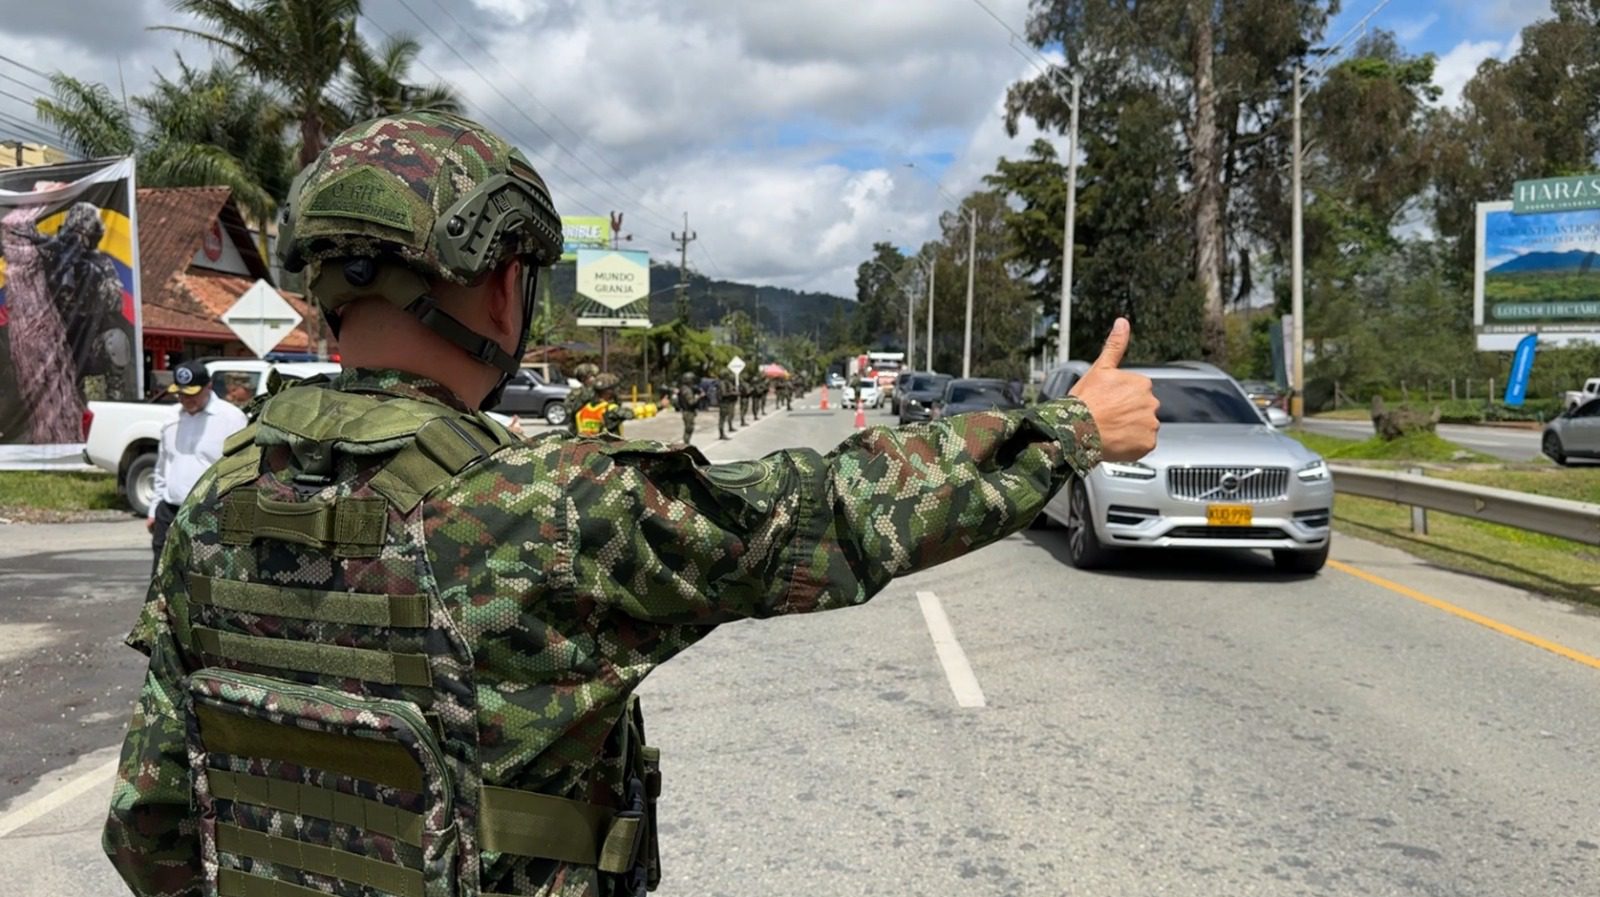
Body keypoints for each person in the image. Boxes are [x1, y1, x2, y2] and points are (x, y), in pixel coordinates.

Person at [102, 111, 1158, 897]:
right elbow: (839, 513)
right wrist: (1067, 432)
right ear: (505, 288)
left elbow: (149, 824)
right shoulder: (549, 505)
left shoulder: (218, 499)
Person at [144, 359, 248, 576]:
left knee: (204, 579)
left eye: (192, 394)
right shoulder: (171, 418)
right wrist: (154, 510)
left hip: (210, 514)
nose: (185, 400)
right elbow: (163, 467)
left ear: (208, 387)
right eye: (180, 394)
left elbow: (243, 471)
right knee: (162, 577)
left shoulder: (232, 419)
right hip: (170, 511)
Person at [564, 361, 600, 435]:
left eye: (594, 376)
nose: (593, 379)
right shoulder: (576, 393)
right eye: (590, 376)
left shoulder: (601, 392)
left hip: (598, 429)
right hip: (579, 429)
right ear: (582, 378)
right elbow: (569, 411)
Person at [674, 372, 701, 443]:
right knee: (689, 429)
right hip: (688, 412)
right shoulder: (687, 390)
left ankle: (686, 443)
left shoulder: (683, 388)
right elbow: (691, 402)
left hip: (686, 411)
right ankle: (686, 444)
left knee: (688, 428)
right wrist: (698, 397)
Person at [718, 371, 738, 439]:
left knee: (723, 418)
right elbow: (724, 394)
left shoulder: (724, 383)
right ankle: (721, 434)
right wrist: (732, 393)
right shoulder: (722, 383)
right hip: (723, 403)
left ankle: (722, 434)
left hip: (726, 403)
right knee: (722, 419)